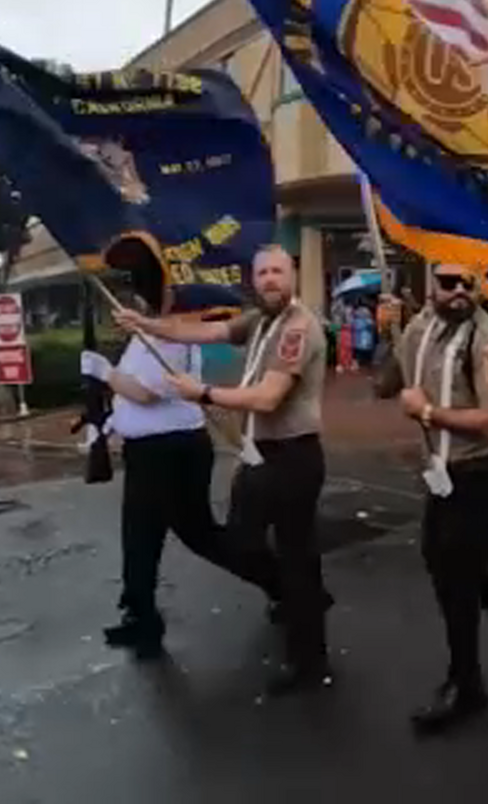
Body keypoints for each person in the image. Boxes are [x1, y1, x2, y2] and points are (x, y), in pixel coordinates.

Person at [115, 245, 334, 695]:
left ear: (292, 275)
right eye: (262, 272)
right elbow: (205, 333)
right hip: (260, 455)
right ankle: (302, 610)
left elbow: (268, 398)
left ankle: (308, 658)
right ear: (254, 280)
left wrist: (203, 394)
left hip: (292, 455)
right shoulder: (260, 321)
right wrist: (146, 325)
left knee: (296, 557)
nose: (270, 279)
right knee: (243, 543)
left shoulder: (297, 327)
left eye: (278, 271)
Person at [374, 263, 488, 736]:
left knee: (456, 577)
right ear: (430, 287)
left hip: (482, 472)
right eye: (447, 282)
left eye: (466, 283)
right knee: (446, 565)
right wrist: (384, 332)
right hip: (442, 473)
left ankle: (466, 684)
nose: (457, 291)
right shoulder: (420, 328)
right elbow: (385, 385)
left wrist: (429, 412)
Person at [80, 290, 280, 659]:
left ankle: (282, 583)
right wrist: (107, 424)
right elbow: (129, 396)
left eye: (145, 289)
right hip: (144, 453)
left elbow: (146, 394)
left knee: (201, 536)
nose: (138, 300)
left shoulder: (176, 337)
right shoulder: (142, 339)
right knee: (139, 535)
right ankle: (141, 617)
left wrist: (102, 371)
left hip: (174, 451)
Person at [352, 301, 377, 371]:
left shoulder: (355, 318)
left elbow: (354, 326)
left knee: (358, 351)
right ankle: (367, 362)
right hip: (366, 337)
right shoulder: (369, 320)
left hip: (358, 339)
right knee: (366, 351)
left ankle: (359, 362)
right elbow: (372, 326)